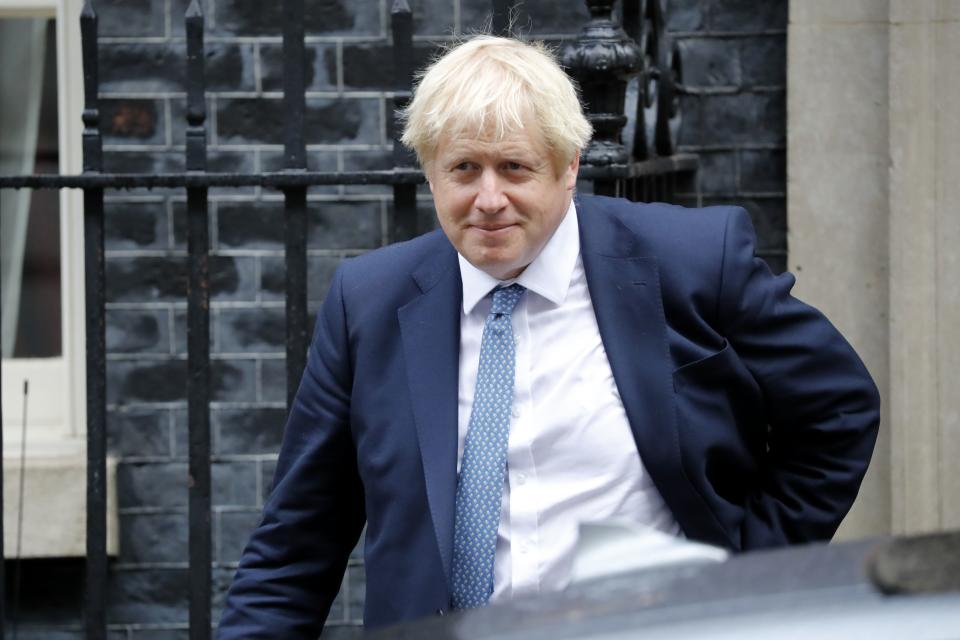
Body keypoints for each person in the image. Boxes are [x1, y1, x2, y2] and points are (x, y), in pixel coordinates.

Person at [217, 36, 880, 637]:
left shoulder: (692, 262)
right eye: (463, 169)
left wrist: (743, 572)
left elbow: (838, 407)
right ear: (429, 171)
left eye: (515, 168)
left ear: (568, 166)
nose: (488, 198)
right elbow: (298, 541)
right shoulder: (369, 303)